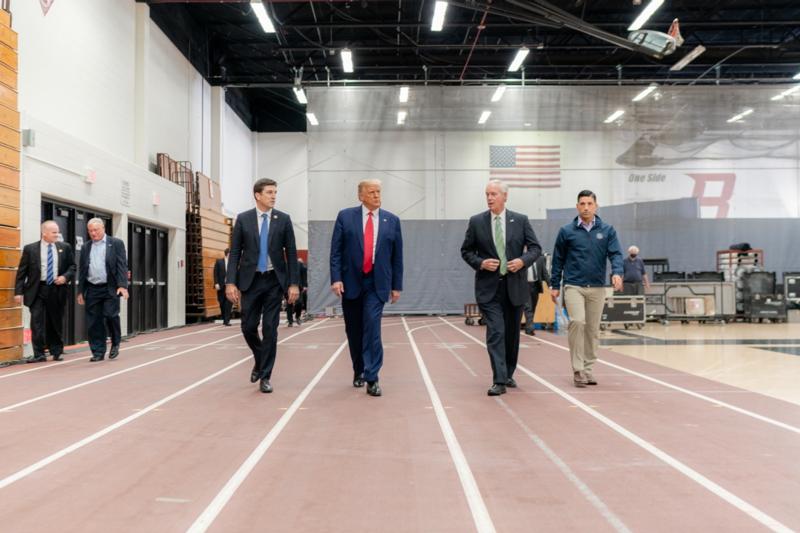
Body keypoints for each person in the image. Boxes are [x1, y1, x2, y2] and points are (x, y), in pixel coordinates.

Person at [461, 180, 541, 396]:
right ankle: (499, 379)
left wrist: (523, 261)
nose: (489, 198)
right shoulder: (476, 222)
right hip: (489, 289)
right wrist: (481, 263)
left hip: (514, 287)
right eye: (487, 194)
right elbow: (466, 251)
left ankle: (508, 373)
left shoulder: (521, 220)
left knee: (512, 334)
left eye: (494, 194)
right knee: (496, 331)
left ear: (505, 196)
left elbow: (535, 248)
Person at [330, 179, 403, 397]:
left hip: (377, 283)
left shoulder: (392, 220)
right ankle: (358, 369)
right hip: (351, 281)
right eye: (372, 192)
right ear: (361, 196)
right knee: (354, 330)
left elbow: (397, 256)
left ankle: (372, 377)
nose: (377, 196)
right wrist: (336, 279)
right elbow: (336, 251)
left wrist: (396, 286)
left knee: (372, 328)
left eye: (379, 192)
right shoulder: (345, 216)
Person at [226, 178, 299, 394]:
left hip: (274, 281)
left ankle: (266, 375)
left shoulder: (283, 220)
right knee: (248, 327)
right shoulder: (244, 219)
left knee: (270, 329)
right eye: (269, 192)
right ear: (258, 195)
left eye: (275, 192)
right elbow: (235, 253)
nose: (274, 196)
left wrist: (294, 283)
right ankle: (259, 357)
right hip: (250, 280)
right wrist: (230, 282)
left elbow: (292, 253)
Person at [550, 190, 623, 388]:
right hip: (574, 285)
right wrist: (554, 285)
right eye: (582, 204)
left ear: (596, 206)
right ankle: (577, 369)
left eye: (589, 203)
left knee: (592, 330)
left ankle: (588, 368)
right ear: (577, 206)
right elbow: (558, 260)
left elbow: (616, 254)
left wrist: (617, 272)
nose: (586, 207)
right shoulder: (567, 231)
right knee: (577, 322)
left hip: (598, 287)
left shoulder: (607, 230)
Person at [14, 221, 76, 362]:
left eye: (57, 232)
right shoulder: (30, 249)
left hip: (56, 289)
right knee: (36, 322)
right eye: (54, 232)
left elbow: (72, 267)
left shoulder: (65, 247)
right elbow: (21, 272)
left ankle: (56, 351)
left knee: (55, 321)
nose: (57, 234)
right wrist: (18, 292)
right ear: (44, 233)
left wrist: (64, 277)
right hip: (37, 290)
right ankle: (39, 354)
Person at [77, 218, 129, 362]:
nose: (93, 233)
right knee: (94, 321)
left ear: (103, 228)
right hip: (92, 288)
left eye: (96, 230)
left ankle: (115, 342)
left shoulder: (116, 243)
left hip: (110, 287)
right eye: (90, 231)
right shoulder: (86, 247)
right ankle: (98, 351)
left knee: (111, 315)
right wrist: (80, 291)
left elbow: (122, 266)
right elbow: (82, 270)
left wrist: (122, 285)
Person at [523, 253, 549, 336]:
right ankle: (530, 327)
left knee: (533, 306)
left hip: (535, 286)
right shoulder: (522, 258)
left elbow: (544, 273)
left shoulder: (540, 259)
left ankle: (528, 326)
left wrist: (551, 285)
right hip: (524, 285)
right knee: (528, 307)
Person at [213, 249, 232, 326]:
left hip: (229, 286)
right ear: (227, 254)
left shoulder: (233, 263)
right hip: (221, 286)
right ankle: (224, 318)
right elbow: (215, 273)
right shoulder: (219, 262)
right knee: (221, 302)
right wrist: (216, 283)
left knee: (229, 303)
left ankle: (226, 321)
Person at [286, 258, 307, 327]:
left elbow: (304, 274)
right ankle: (290, 321)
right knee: (289, 303)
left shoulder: (299, 264)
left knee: (299, 303)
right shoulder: (285, 264)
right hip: (287, 286)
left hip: (298, 286)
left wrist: (304, 285)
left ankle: (297, 316)